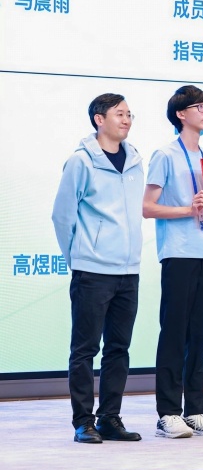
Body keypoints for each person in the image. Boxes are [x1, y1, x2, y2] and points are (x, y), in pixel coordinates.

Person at [52, 93, 144, 443]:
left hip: (128, 270)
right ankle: (83, 421)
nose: (126, 120)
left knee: (118, 349)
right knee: (85, 350)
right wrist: (78, 258)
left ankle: (110, 418)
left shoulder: (135, 161)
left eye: (129, 114)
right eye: (119, 114)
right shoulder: (81, 162)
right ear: (99, 119)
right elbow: (62, 216)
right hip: (92, 271)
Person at [143, 85, 203, 438]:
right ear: (181, 114)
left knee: (199, 334)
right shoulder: (165, 154)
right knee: (174, 332)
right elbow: (148, 207)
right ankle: (167, 413)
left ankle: (194, 410)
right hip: (178, 252)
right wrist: (187, 209)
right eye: (200, 106)